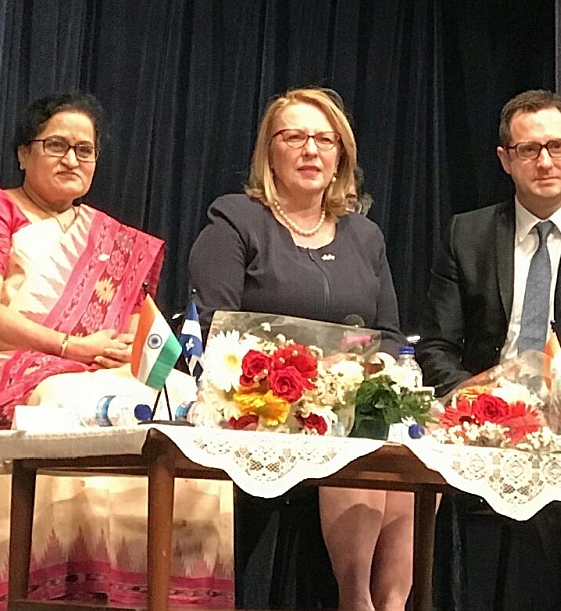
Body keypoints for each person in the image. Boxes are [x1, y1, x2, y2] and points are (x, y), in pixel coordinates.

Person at [0, 92, 233, 610]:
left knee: (182, 401)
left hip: (91, 369)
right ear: (23, 153)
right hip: (3, 368)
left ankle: (167, 594)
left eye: (84, 150)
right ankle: (65, 590)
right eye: (56, 145)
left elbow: (136, 323)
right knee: (70, 401)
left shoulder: (108, 236)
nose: (71, 159)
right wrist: (71, 346)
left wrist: (127, 349)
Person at [189, 87, 410, 611]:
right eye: (294, 137)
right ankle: (355, 599)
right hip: (260, 411)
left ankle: (391, 603)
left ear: (340, 156)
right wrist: (309, 371)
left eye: (324, 140)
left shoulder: (366, 236)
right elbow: (216, 329)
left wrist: (365, 368)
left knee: (401, 457)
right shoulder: (236, 220)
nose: (311, 150)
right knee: (357, 448)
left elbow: (389, 335)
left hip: (347, 405)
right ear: (270, 152)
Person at [417, 89, 561, 611]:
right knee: (525, 501)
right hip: (488, 420)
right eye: (529, 149)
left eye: (556, 147)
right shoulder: (467, 233)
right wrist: (481, 408)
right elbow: (438, 347)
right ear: (505, 159)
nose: (545, 161)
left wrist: (557, 411)